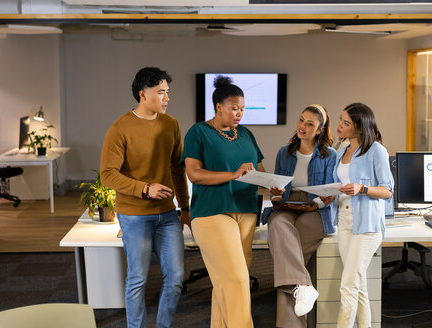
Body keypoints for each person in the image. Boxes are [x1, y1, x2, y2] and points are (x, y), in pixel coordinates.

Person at [100, 67, 190, 328]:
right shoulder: (119, 129)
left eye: (168, 92)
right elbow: (108, 175)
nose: (166, 98)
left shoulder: (171, 124)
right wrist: (145, 188)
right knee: (137, 278)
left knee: (175, 278)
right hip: (134, 215)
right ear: (143, 94)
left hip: (167, 214)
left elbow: (177, 168)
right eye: (161, 92)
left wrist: (184, 207)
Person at [181, 76, 264, 328]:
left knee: (226, 283)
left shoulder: (246, 134)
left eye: (242, 108)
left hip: (246, 210)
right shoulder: (199, 132)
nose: (239, 113)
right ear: (218, 107)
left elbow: (259, 168)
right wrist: (232, 175)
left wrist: (271, 182)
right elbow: (194, 174)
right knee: (238, 279)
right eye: (234, 108)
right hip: (212, 212)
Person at [262, 104, 337, 328]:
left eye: (310, 124)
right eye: (301, 120)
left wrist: (313, 204)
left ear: (320, 130)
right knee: (276, 223)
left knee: (287, 261)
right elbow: (278, 188)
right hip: (288, 204)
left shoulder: (329, 155)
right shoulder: (284, 152)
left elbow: (331, 190)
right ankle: (304, 287)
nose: (302, 127)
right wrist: (276, 195)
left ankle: (291, 317)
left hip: (315, 209)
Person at [333, 102, 394, 328]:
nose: (339, 125)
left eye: (346, 123)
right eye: (340, 119)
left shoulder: (376, 151)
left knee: (348, 285)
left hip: (367, 226)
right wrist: (329, 194)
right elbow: (340, 185)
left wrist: (363, 189)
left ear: (359, 128)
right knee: (358, 285)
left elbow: (388, 190)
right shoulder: (341, 150)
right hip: (344, 221)